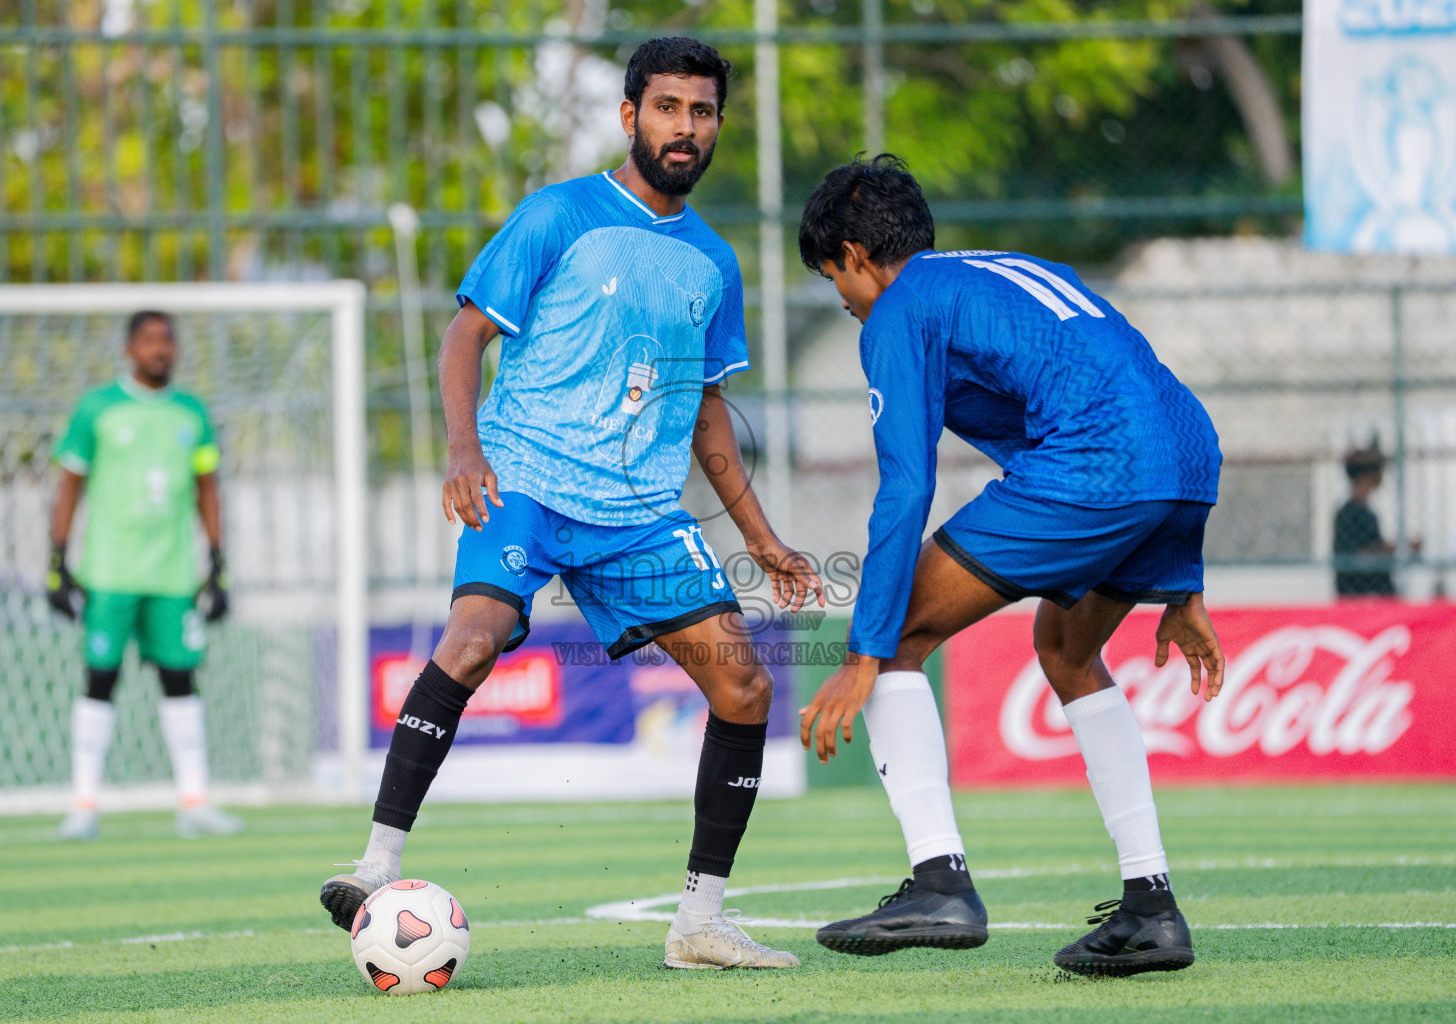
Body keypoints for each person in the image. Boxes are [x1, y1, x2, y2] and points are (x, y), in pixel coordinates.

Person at [319, 37, 823, 971]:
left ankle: (699, 923)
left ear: (717, 125)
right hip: (526, 478)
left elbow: (706, 407)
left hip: (637, 513)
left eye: (702, 111)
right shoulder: (558, 214)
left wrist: (761, 538)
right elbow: (465, 334)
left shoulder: (714, 263)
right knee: (473, 641)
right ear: (630, 116)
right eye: (667, 108)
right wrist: (464, 449)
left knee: (745, 687)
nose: (685, 127)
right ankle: (375, 864)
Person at [795, 156, 1225, 977]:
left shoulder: (898, 310)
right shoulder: (1007, 268)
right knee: (1065, 651)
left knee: (897, 634)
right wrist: (1182, 579)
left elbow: (906, 486)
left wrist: (862, 652)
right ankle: (1151, 907)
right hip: (1187, 456)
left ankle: (939, 883)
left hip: (1098, 465)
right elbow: (1136, 390)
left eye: (833, 279)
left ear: (853, 255)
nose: (843, 302)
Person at [48, 310, 242, 840]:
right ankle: (83, 805)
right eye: (150, 340)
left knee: (181, 679)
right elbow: (69, 484)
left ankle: (194, 802)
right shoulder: (97, 408)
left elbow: (207, 487)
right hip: (109, 572)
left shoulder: (191, 412)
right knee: (100, 678)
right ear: (129, 348)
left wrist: (217, 562)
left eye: (167, 340)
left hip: (174, 574)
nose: (161, 349)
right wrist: (57, 560)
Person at [1333, 443, 1414, 597]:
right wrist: (1394, 547)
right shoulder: (1348, 514)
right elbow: (1356, 556)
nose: (1381, 475)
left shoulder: (1367, 513)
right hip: (1357, 593)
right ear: (1366, 475)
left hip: (1375, 591)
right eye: (1378, 470)